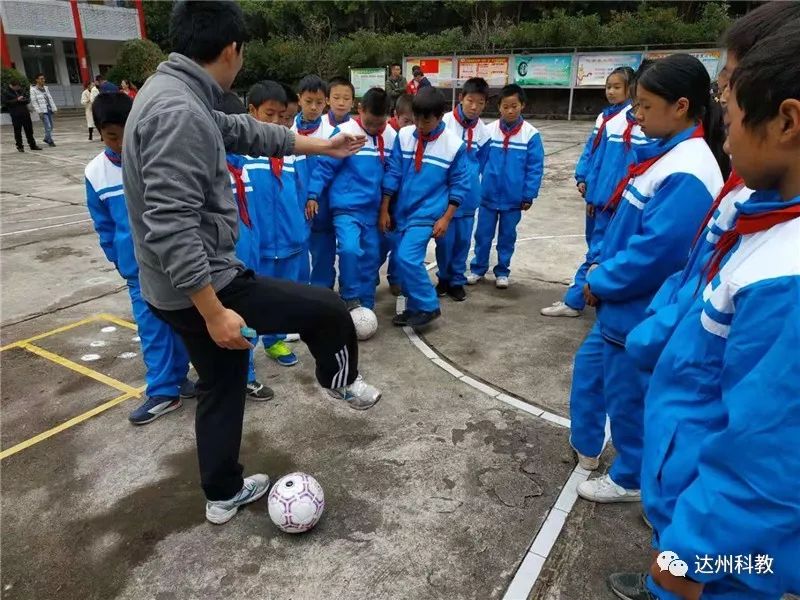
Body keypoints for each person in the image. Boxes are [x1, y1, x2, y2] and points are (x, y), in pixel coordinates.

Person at [122, 0, 381, 525]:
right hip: (203, 285)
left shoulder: (173, 91)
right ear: (231, 49)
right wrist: (214, 311)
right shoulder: (178, 112)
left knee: (222, 381)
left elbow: (246, 131)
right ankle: (339, 379)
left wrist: (323, 146)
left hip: (171, 286)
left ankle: (221, 493)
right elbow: (170, 224)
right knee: (326, 307)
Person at [607, 6, 800, 600]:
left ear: (788, 121)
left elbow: (765, 467)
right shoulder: (762, 213)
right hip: (690, 490)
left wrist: (690, 564)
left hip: (733, 558)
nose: (724, 130)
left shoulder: (786, 279)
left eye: (732, 110)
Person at [571, 54, 724, 505]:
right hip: (619, 301)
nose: (635, 116)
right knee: (590, 372)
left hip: (636, 307)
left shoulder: (688, 169)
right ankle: (586, 446)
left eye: (643, 106)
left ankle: (631, 476)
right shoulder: (665, 152)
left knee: (628, 398)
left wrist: (601, 281)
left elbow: (657, 254)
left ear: (680, 107)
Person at [86, 92, 196, 425]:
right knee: (152, 328)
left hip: (174, 264)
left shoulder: (159, 158)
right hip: (139, 271)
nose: (120, 143)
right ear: (101, 134)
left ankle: (179, 379)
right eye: (111, 137)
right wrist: (118, 259)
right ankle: (164, 389)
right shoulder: (96, 172)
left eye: (126, 133)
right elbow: (103, 224)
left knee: (181, 325)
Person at [541, 66, 639, 317]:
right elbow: (592, 154)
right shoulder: (605, 118)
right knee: (596, 249)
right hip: (599, 198)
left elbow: (620, 167)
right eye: (608, 87)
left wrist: (603, 196)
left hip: (613, 202)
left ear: (631, 89)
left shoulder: (634, 121)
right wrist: (583, 178)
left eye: (617, 87)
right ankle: (589, 297)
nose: (611, 92)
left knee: (599, 252)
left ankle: (575, 300)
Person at [381, 87, 470, 329]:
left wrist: (446, 218)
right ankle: (414, 308)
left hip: (427, 213)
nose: (420, 124)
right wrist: (385, 208)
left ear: (440, 116)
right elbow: (394, 172)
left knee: (407, 258)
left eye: (426, 119)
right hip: (402, 212)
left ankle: (429, 305)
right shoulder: (404, 136)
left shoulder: (453, 145)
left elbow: (459, 185)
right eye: (417, 117)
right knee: (403, 261)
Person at [308, 87, 396, 311]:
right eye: (370, 123)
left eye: (380, 123)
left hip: (373, 212)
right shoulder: (345, 132)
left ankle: (365, 303)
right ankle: (350, 296)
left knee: (370, 256)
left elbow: (393, 173)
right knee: (349, 250)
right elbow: (324, 166)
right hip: (346, 209)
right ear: (360, 110)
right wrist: (313, 194)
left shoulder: (391, 137)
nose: (374, 128)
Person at [216, 91, 275, 401]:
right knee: (227, 322)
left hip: (249, 256)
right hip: (222, 263)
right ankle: (234, 378)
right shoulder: (210, 170)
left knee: (244, 319)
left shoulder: (245, 165)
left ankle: (245, 375)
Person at [245, 81, 306, 368]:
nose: (275, 123)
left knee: (282, 298)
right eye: (268, 115)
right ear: (252, 111)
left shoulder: (294, 148)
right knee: (251, 304)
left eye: (282, 116)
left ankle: (275, 340)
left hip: (291, 241)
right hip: (258, 247)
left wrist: (299, 229)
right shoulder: (239, 153)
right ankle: (246, 356)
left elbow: (303, 191)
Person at [467, 84, 544, 289]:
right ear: (499, 107)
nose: (510, 111)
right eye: (506, 106)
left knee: (507, 236)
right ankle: (477, 268)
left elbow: (535, 167)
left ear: (522, 106)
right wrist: (475, 187)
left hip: (513, 199)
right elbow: (477, 162)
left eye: (514, 106)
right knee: (483, 234)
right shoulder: (488, 131)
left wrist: (528, 194)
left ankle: (502, 271)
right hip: (487, 196)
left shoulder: (531, 135)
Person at [437, 77, 491, 300]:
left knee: (463, 240)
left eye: (480, 102)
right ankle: (443, 278)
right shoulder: (445, 122)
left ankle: (457, 280)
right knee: (444, 240)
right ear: (461, 98)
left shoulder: (484, 131)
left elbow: (482, 161)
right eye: (470, 100)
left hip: (469, 196)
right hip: (445, 193)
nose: (474, 107)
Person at [292, 74, 339, 288]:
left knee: (323, 257)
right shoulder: (286, 133)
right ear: (299, 99)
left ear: (326, 102)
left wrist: (315, 195)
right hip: (295, 206)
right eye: (309, 101)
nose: (313, 107)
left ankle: (323, 297)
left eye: (319, 102)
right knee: (297, 254)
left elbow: (329, 170)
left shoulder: (332, 134)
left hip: (322, 206)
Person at [2, 79, 41, 152]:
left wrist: (23, 100)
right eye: (16, 87)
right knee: (18, 131)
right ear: (11, 86)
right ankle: (20, 146)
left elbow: (27, 99)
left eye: (18, 87)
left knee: (29, 130)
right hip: (15, 114)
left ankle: (33, 145)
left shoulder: (21, 90)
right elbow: (6, 103)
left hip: (25, 113)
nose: (18, 88)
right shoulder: (6, 92)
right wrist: (17, 99)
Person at [29, 74, 57, 147]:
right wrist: (39, 111)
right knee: (47, 126)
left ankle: (46, 138)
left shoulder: (46, 88)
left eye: (43, 79)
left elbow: (50, 99)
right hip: (42, 110)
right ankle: (50, 141)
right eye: (41, 79)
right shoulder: (33, 90)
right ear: (37, 80)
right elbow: (34, 102)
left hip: (48, 109)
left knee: (51, 126)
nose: (43, 80)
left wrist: (54, 108)